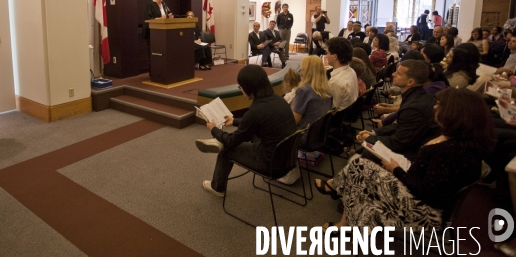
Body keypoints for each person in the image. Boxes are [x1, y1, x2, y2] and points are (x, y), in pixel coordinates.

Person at [316, 88, 495, 231]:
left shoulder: (452, 151)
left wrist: (396, 169)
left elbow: (427, 192)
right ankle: (343, 209)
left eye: (440, 104)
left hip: (423, 210)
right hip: (418, 188)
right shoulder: (456, 139)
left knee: (360, 170)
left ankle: (343, 211)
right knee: (361, 165)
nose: (434, 107)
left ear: (454, 113)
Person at [194, 65, 296, 197]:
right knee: (250, 133)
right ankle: (219, 140)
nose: (241, 90)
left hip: (272, 165)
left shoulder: (255, 111)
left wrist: (213, 129)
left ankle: (217, 187)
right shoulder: (279, 100)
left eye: (240, 87)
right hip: (288, 157)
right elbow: (257, 122)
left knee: (227, 148)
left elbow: (232, 142)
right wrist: (234, 121)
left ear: (248, 88)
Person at [357, 59, 438, 160]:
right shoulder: (416, 95)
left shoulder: (414, 107)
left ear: (410, 82)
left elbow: (398, 143)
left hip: (416, 154)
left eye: (398, 73)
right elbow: (399, 126)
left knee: (367, 154)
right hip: (412, 144)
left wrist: (369, 138)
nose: (393, 74)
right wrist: (374, 133)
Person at [326, 37, 358, 112]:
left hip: (336, 118)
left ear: (335, 57)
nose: (326, 56)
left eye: (327, 53)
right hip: (347, 112)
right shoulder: (351, 70)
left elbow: (332, 109)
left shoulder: (335, 82)